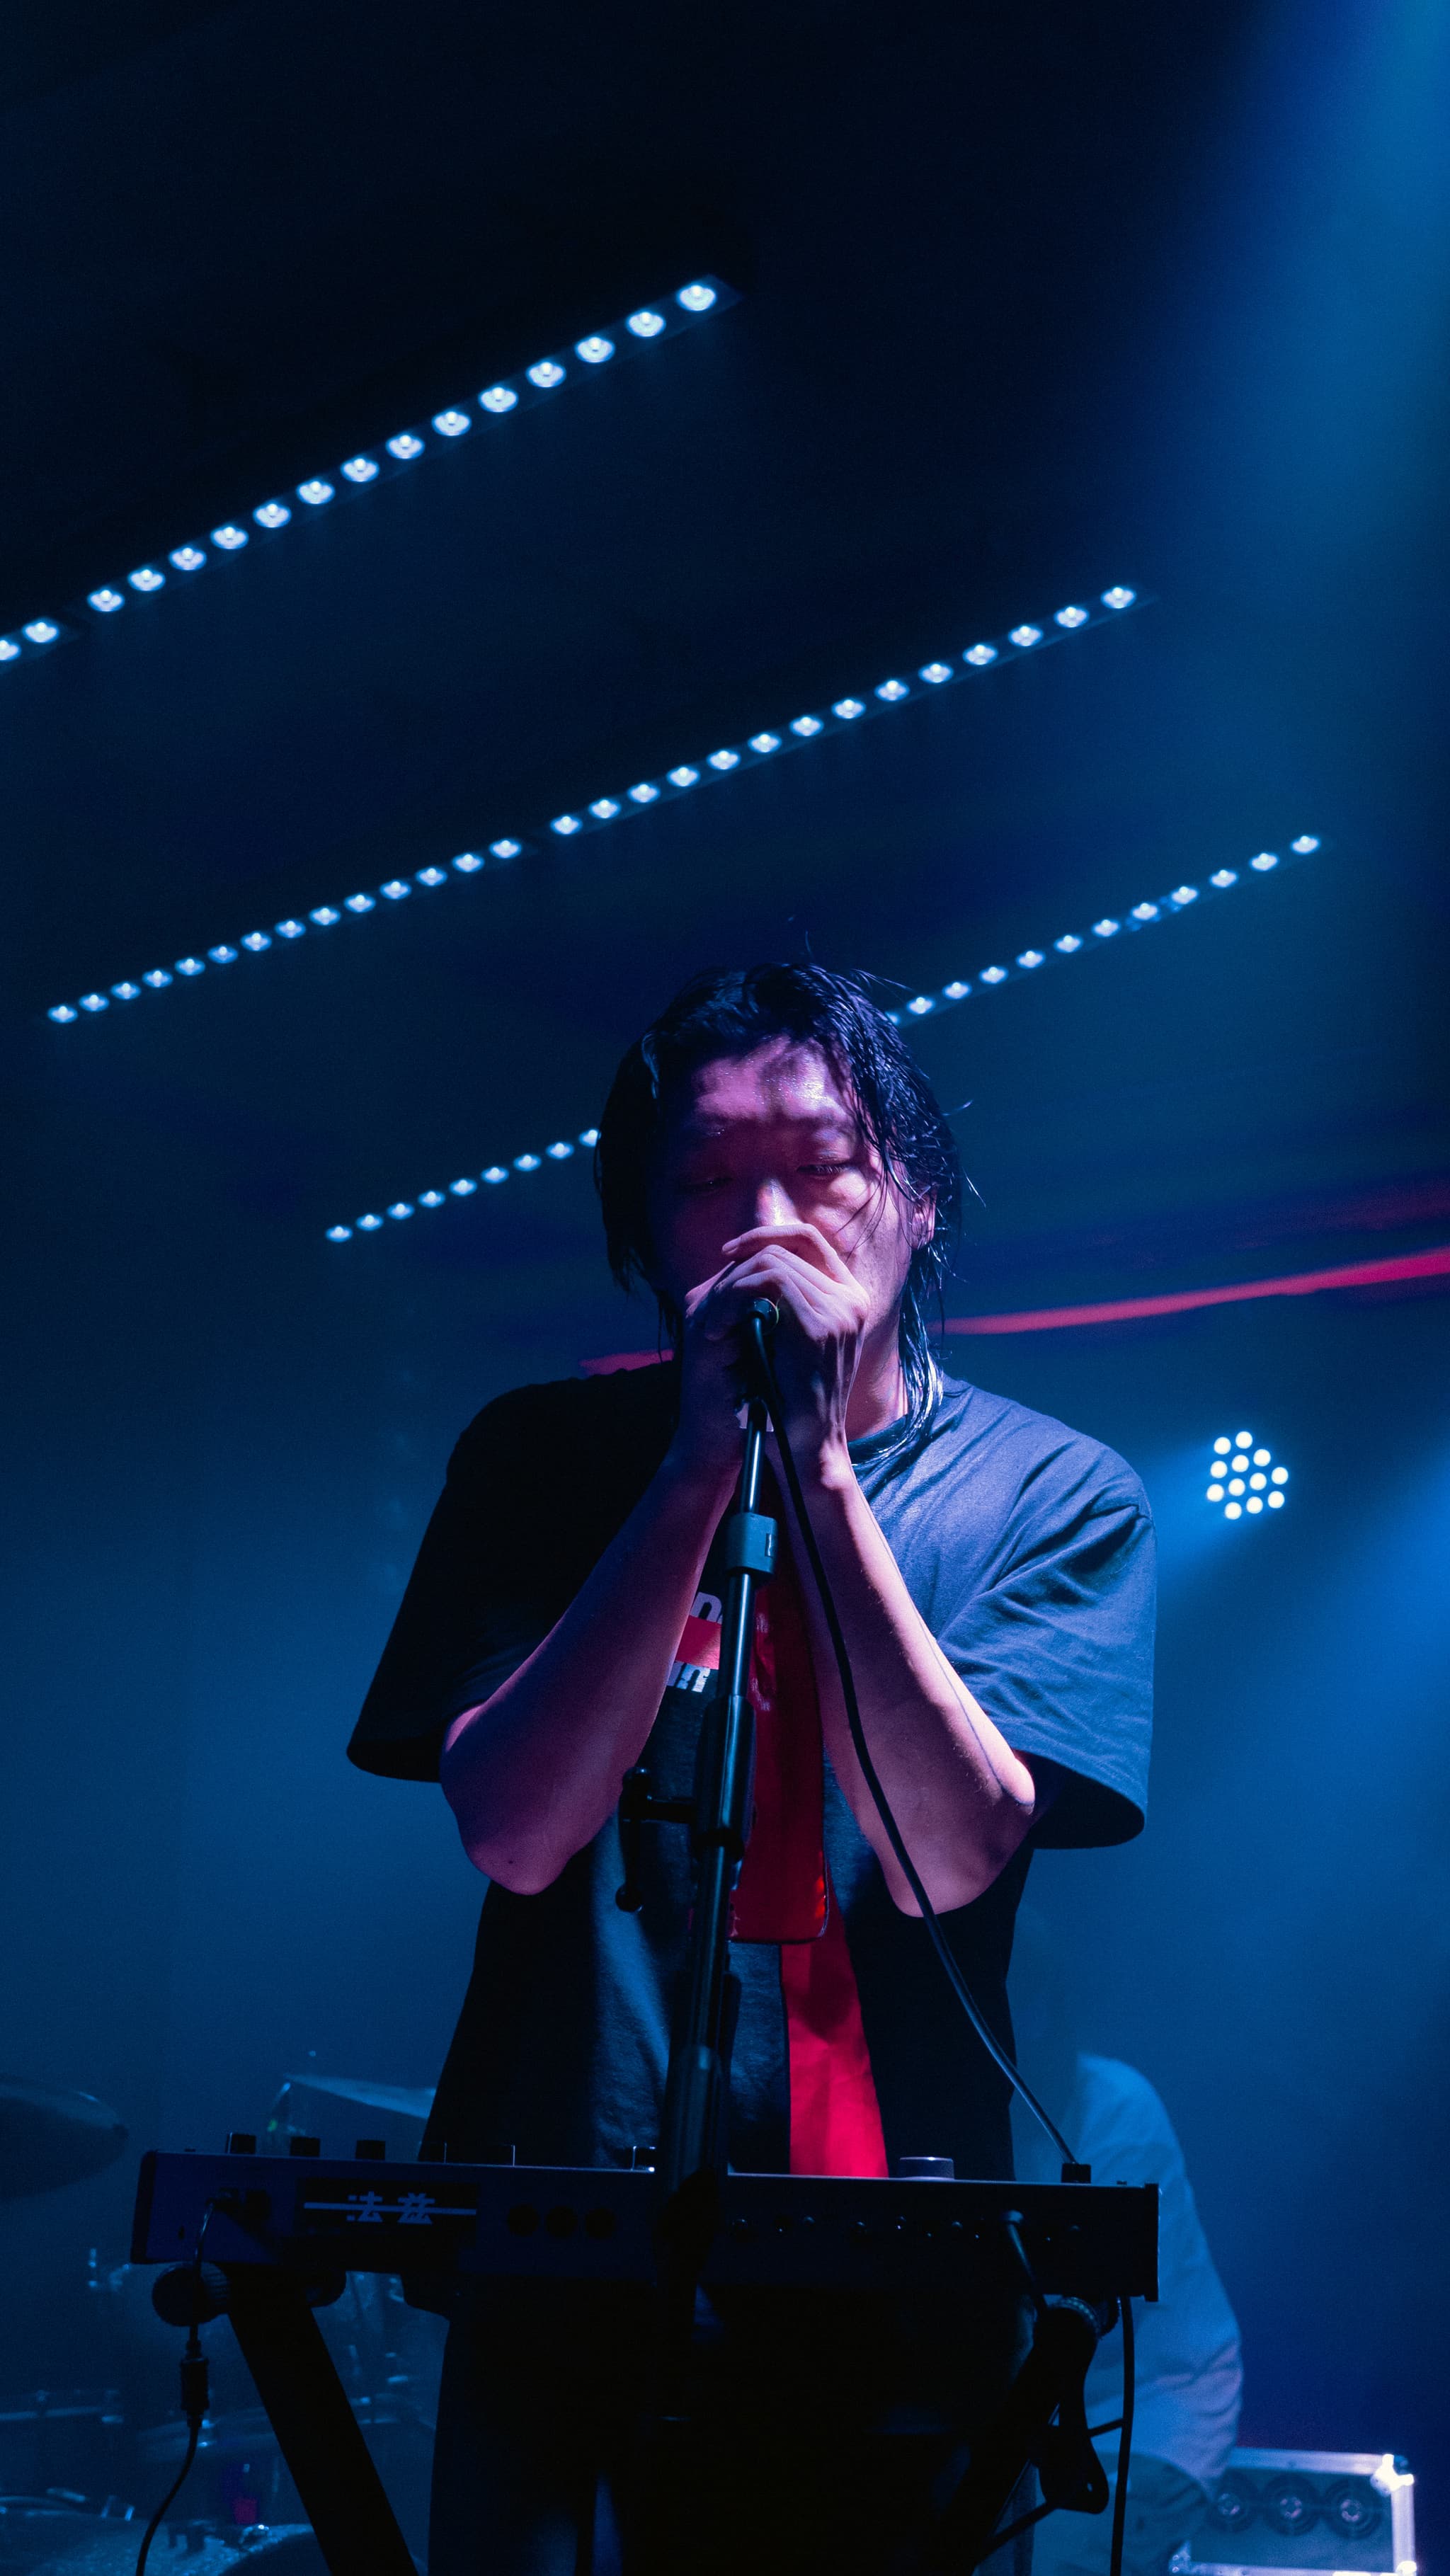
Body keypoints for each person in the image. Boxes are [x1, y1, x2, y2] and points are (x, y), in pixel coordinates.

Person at [350, 963, 1156, 2576]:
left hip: (903, 2265)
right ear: (648, 1235)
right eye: (707, 1178)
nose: (763, 1214)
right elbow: (511, 1829)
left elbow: (948, 1851)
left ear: (913, 1202)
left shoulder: (1052, 1489)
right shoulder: (536, 1457)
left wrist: (821, 1475)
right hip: (567, 2221)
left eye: (820, 1162)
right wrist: (698, 1468)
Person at [1009, 1910, 1242, 2576]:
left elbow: (1075, 2324)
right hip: (1042, 2434)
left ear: (1045, 2006)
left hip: (1150, 2429)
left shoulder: (1115, 2109)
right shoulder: (978, 2117)